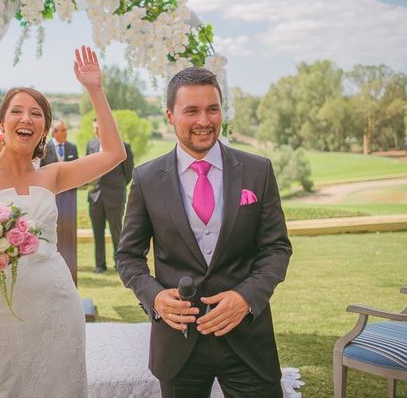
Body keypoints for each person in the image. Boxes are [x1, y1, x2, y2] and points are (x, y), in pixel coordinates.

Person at [0, 46, 126, 398]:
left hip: (58, 306)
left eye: (36, 114)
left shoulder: (52, 176)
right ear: (1, 123)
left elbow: (115, 154)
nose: (27, 118)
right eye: (17, 111)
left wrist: (95, 90)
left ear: (44, 131)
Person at [116, 67, 292, 398]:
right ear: (170, 115)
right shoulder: (146, 179)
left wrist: (245, 298)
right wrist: (154, 297)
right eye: (192, 110)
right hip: (178, 342)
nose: (204, 120)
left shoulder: (258, 171)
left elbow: (276, 248)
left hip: (247, 340)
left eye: (213, 109)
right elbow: (127, 256)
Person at [86, 119, 134, 273]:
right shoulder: (91, 145)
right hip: (94, 197)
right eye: (94, 128)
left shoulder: (122, 146)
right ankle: (100, 265)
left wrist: (117, 188)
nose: (96, 131)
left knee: (116, 232)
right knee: (97, 232)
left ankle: (120, 264)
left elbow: (128, 173)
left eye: (99, 128)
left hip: (114, 196)